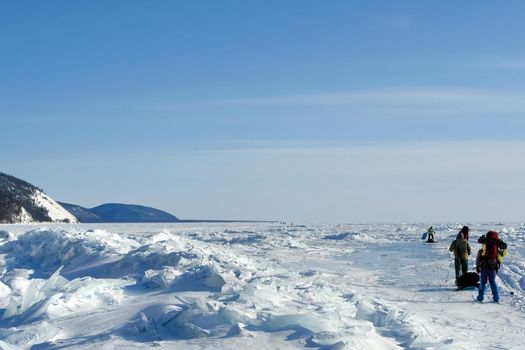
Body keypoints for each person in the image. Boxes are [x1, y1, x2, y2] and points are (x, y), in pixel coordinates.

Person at [476, 231, 508, 303]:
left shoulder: (484, 245)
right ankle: (496, 298)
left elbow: (479, 256)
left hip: (484, 266)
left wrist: (478, 266)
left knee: (483, 282)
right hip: (493, 267)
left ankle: (480, 298)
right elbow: (504, 248)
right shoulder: (497, 245)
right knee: (492, 282)